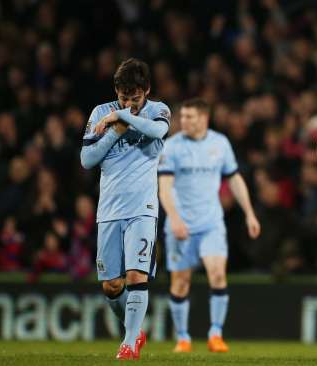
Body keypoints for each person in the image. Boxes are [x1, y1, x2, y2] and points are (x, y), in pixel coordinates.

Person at [80, 58, 170, 360]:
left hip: (143, 208)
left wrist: (122, 117)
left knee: (136, 276)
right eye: (122, 98)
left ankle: (129, 343)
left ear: (146, 91)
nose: (129, 104)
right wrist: (115, 131)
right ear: (116, 91)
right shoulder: (99, 114)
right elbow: (87, 159)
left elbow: (157, 133)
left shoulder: (158, 110)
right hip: (109, 209)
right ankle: (134, 331)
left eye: (135, 98)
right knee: (111, 285)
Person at [158, 98, 260, 353]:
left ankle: (215, 334)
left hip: (211, 223)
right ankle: (183, 338)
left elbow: (234, 179)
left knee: (217, 274)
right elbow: (164, 188)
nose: (184, 121)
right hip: (180, 226)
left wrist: (249, 213)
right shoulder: (171, 147)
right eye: (183, 117)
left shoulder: (220, 143)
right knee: (181, 282)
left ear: (204, 118)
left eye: (190, 117)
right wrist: (175, 218)